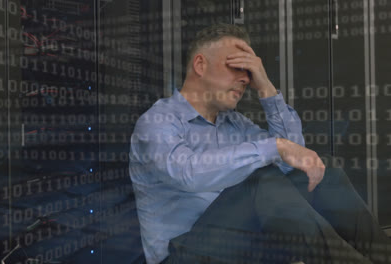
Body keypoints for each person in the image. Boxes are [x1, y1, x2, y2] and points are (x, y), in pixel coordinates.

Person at [128, 23, 391, 264]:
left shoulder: (236, 124)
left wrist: (266, 88)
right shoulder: (157, 121)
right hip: (185, 255)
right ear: (200, 65)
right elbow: (187, 173)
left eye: (250, 70)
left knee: (327, 173)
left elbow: (295, 162)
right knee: (260, 180)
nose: (245, 78)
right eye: (237, 66)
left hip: (242, 247)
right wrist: (275, 147)